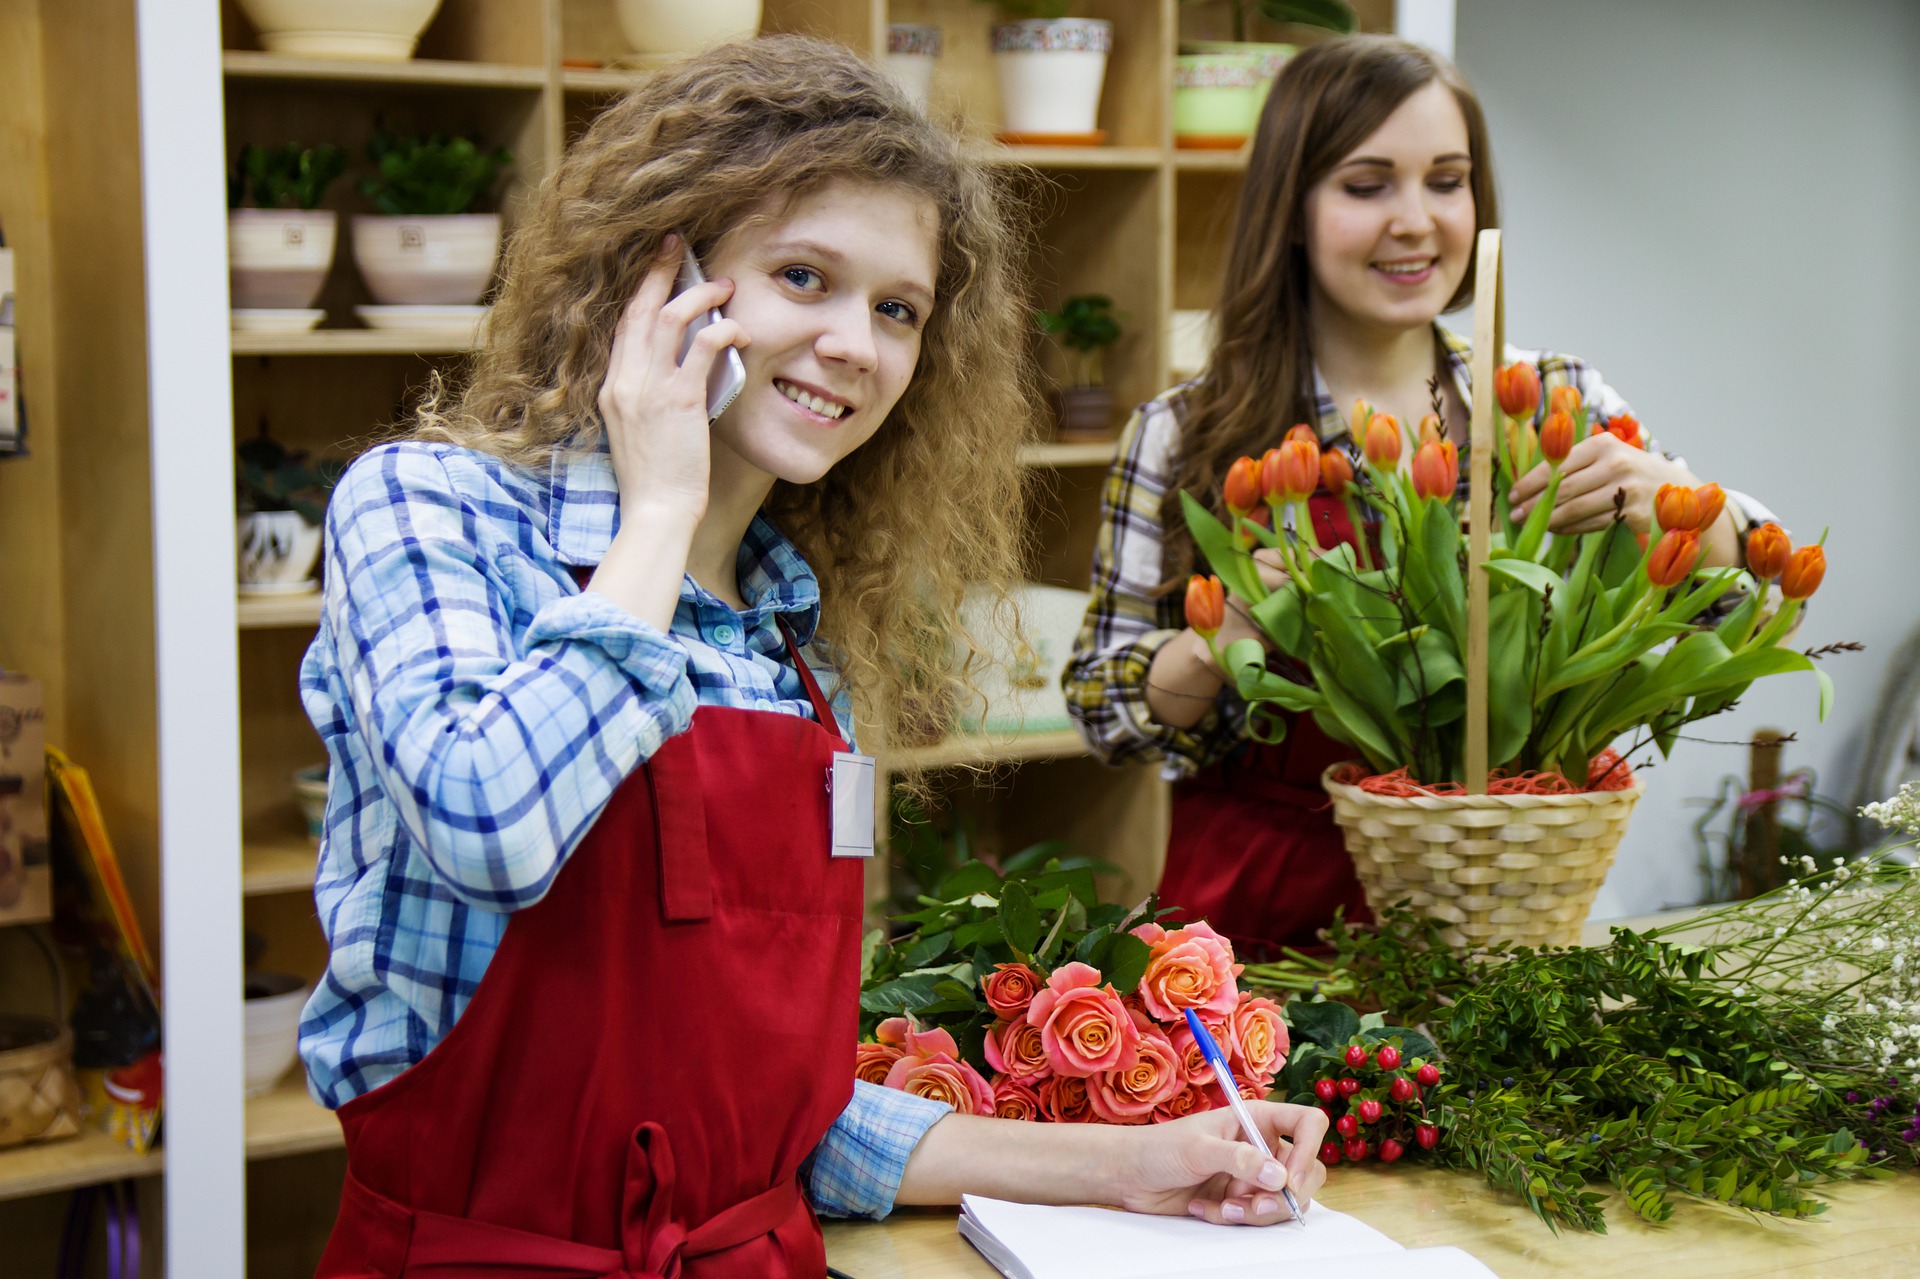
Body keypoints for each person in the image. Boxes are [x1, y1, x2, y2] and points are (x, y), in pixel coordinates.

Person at [298, 37, 1328, 1278]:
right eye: (804, 276)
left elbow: (779, 1116)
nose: (857, 343)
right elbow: (491, 821)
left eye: (898, 310)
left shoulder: (798, 636)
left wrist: (1139, 1160)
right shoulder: (429, 509)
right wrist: (661, 514)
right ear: (656, 281)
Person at [1063, 35, 1778, 959]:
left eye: (1447, 180)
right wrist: (1219, 642)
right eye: (1367, 186)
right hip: (1265, 921)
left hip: (1504, 909)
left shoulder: (1557, 402)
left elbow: (1748, 606)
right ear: (1291, 208)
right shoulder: (1190, 432)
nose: (1415, 221)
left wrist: (1698, 510)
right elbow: (1100, 707)